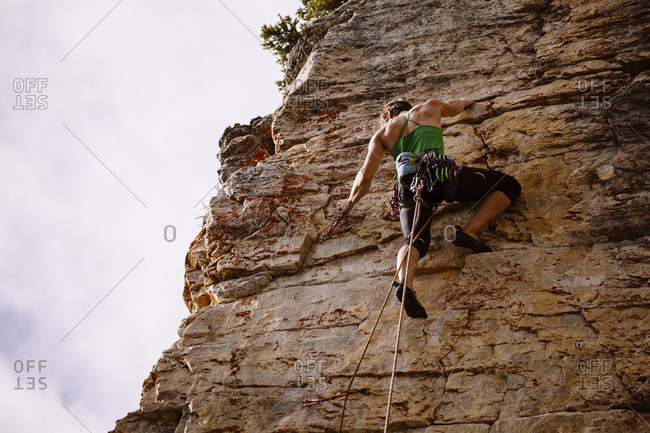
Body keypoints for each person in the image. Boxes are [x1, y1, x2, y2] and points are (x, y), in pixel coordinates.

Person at [341, 98, 521, 319]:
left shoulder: (382, 135)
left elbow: (364, 178)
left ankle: (406, 284)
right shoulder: (430, 106)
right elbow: (456, 107)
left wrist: (349, 203)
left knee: (414, 241)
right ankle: (469, 231)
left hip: (408, 188)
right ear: (408, 106)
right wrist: (467, 102)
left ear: (388, 115)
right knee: (509, 185)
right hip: (441, 177)